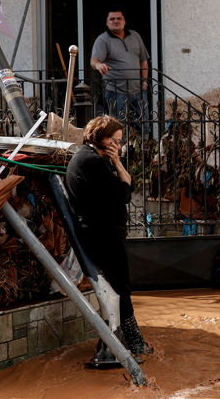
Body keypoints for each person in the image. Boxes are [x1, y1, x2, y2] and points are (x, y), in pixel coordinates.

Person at [65, 115, 151, 355]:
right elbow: (124, 193)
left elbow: (127, 186)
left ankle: (127, 341)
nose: (119, 145)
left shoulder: (92, 158)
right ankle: (131, 342)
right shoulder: (93, 162)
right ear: (102, 138)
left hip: (102, 234)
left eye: (120, 142)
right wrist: (119, 168)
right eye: (116, 140)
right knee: (120, 288)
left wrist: (117, 163)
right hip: (102, 236)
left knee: (119, 287)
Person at [90, 10, 151, 136]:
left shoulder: (135, 36)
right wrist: (98, 65)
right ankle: (119, 154)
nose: (116, 21)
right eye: (112, 19)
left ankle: (143, 153)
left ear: (124, 21)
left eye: (119, 18)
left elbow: (144, 61)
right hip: (116, 92)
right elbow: (93, 61)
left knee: (143, 126)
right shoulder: (103, 40)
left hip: (138, 90)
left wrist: (144, 82)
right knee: (118, 128)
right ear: (107, 23)